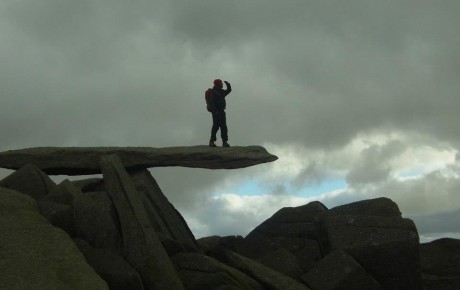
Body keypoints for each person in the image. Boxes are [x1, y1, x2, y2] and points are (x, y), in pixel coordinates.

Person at [208, 79, 232, 147]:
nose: (222, 84)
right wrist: (215, 111)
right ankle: (211, 141)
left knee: (223, 127)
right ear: (218, 84)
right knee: (215, 127)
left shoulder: (221, 91)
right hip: (216, 112)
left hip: (221, 111)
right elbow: (211, 103)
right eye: (221, 83)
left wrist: (228, 84)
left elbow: (228, 90)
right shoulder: (213, 92)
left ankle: (224, 142)